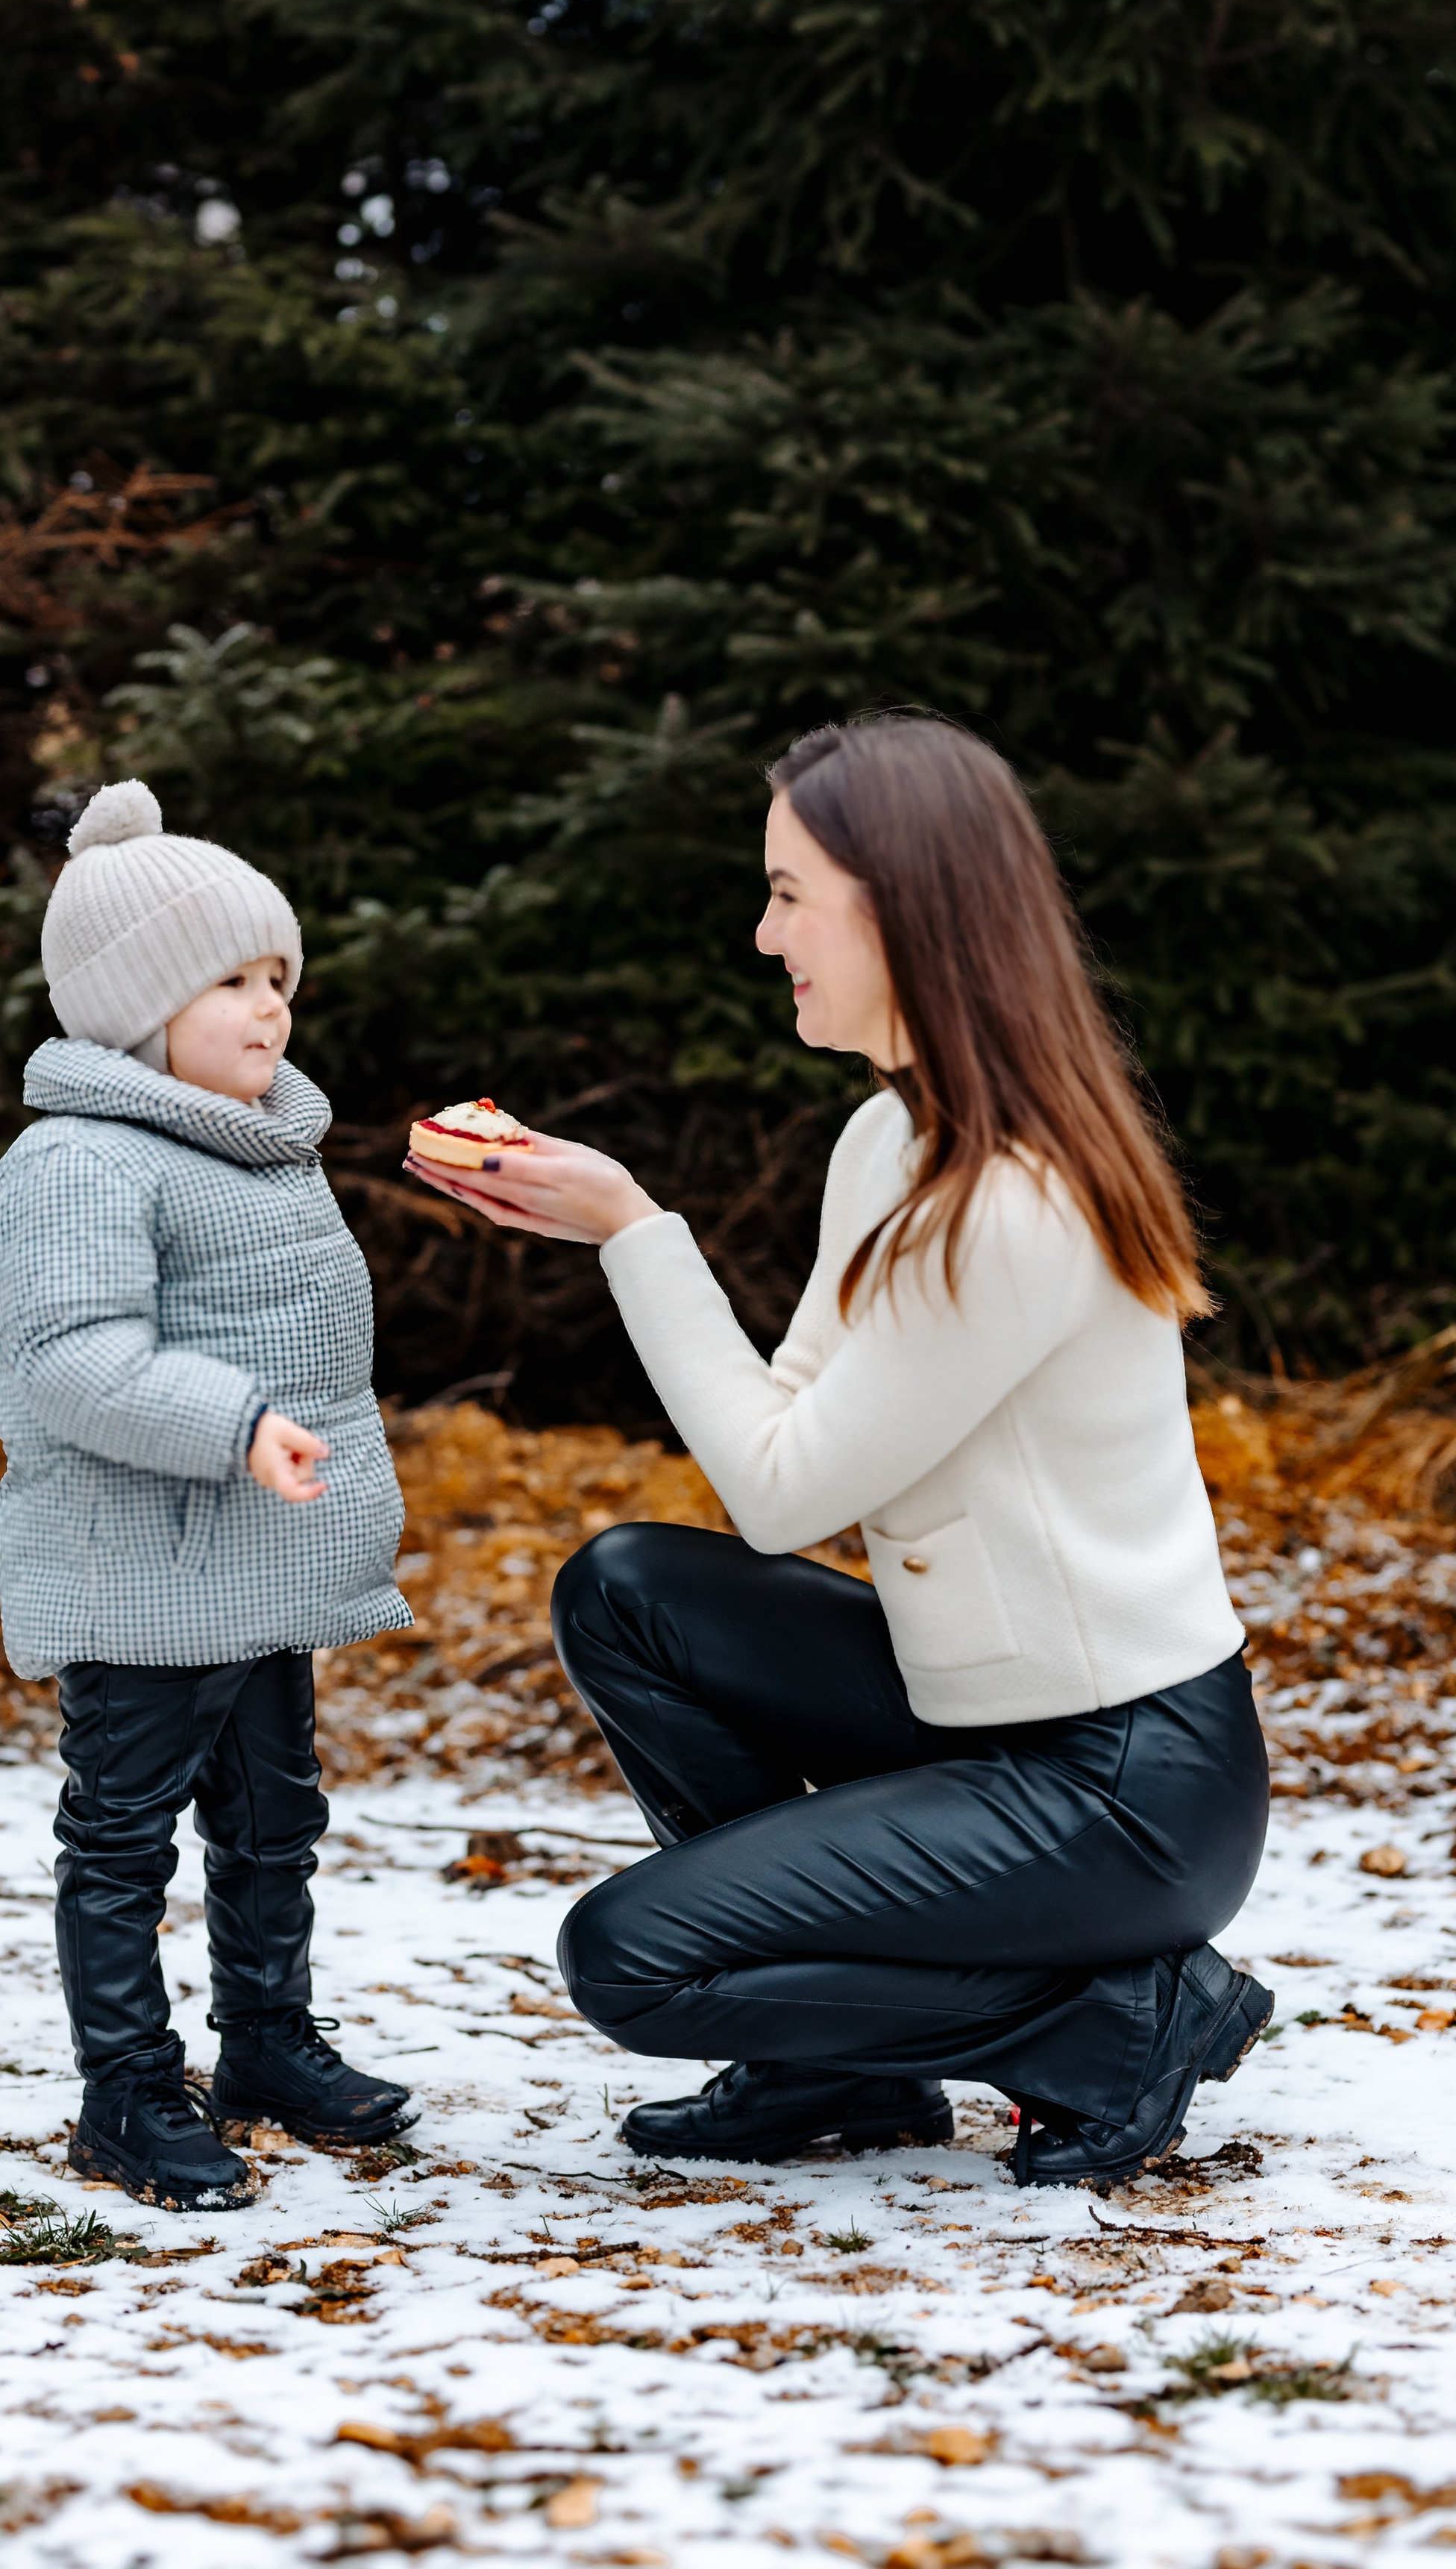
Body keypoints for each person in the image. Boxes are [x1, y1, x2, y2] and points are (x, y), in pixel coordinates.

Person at [406, 714, 1270, 2189]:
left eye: (789, 892)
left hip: (1124, 1787)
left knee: (631, 1962)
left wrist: (631, 1232)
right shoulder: (891, 1143)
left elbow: (784, 1491)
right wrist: (625, 1234)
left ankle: (1109, 2023)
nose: (763, 933)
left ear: (903, 903)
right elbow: (791, 1413)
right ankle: (833, 2071)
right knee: (625, 1589)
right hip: (983, 1717)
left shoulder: (1008, 1206)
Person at [0, 778, 414, 2211]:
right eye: (229, 980)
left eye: (278, 977)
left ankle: (269, 2043)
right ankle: (124, 2090)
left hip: (254, 1569)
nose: (269, 1008)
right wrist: (238, 1426)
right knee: (122, 1833)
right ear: (130, 1005)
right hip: (137, 1570)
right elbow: (68, 1359)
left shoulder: (256, 1146)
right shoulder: (75, 1162)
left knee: (273, 1816)